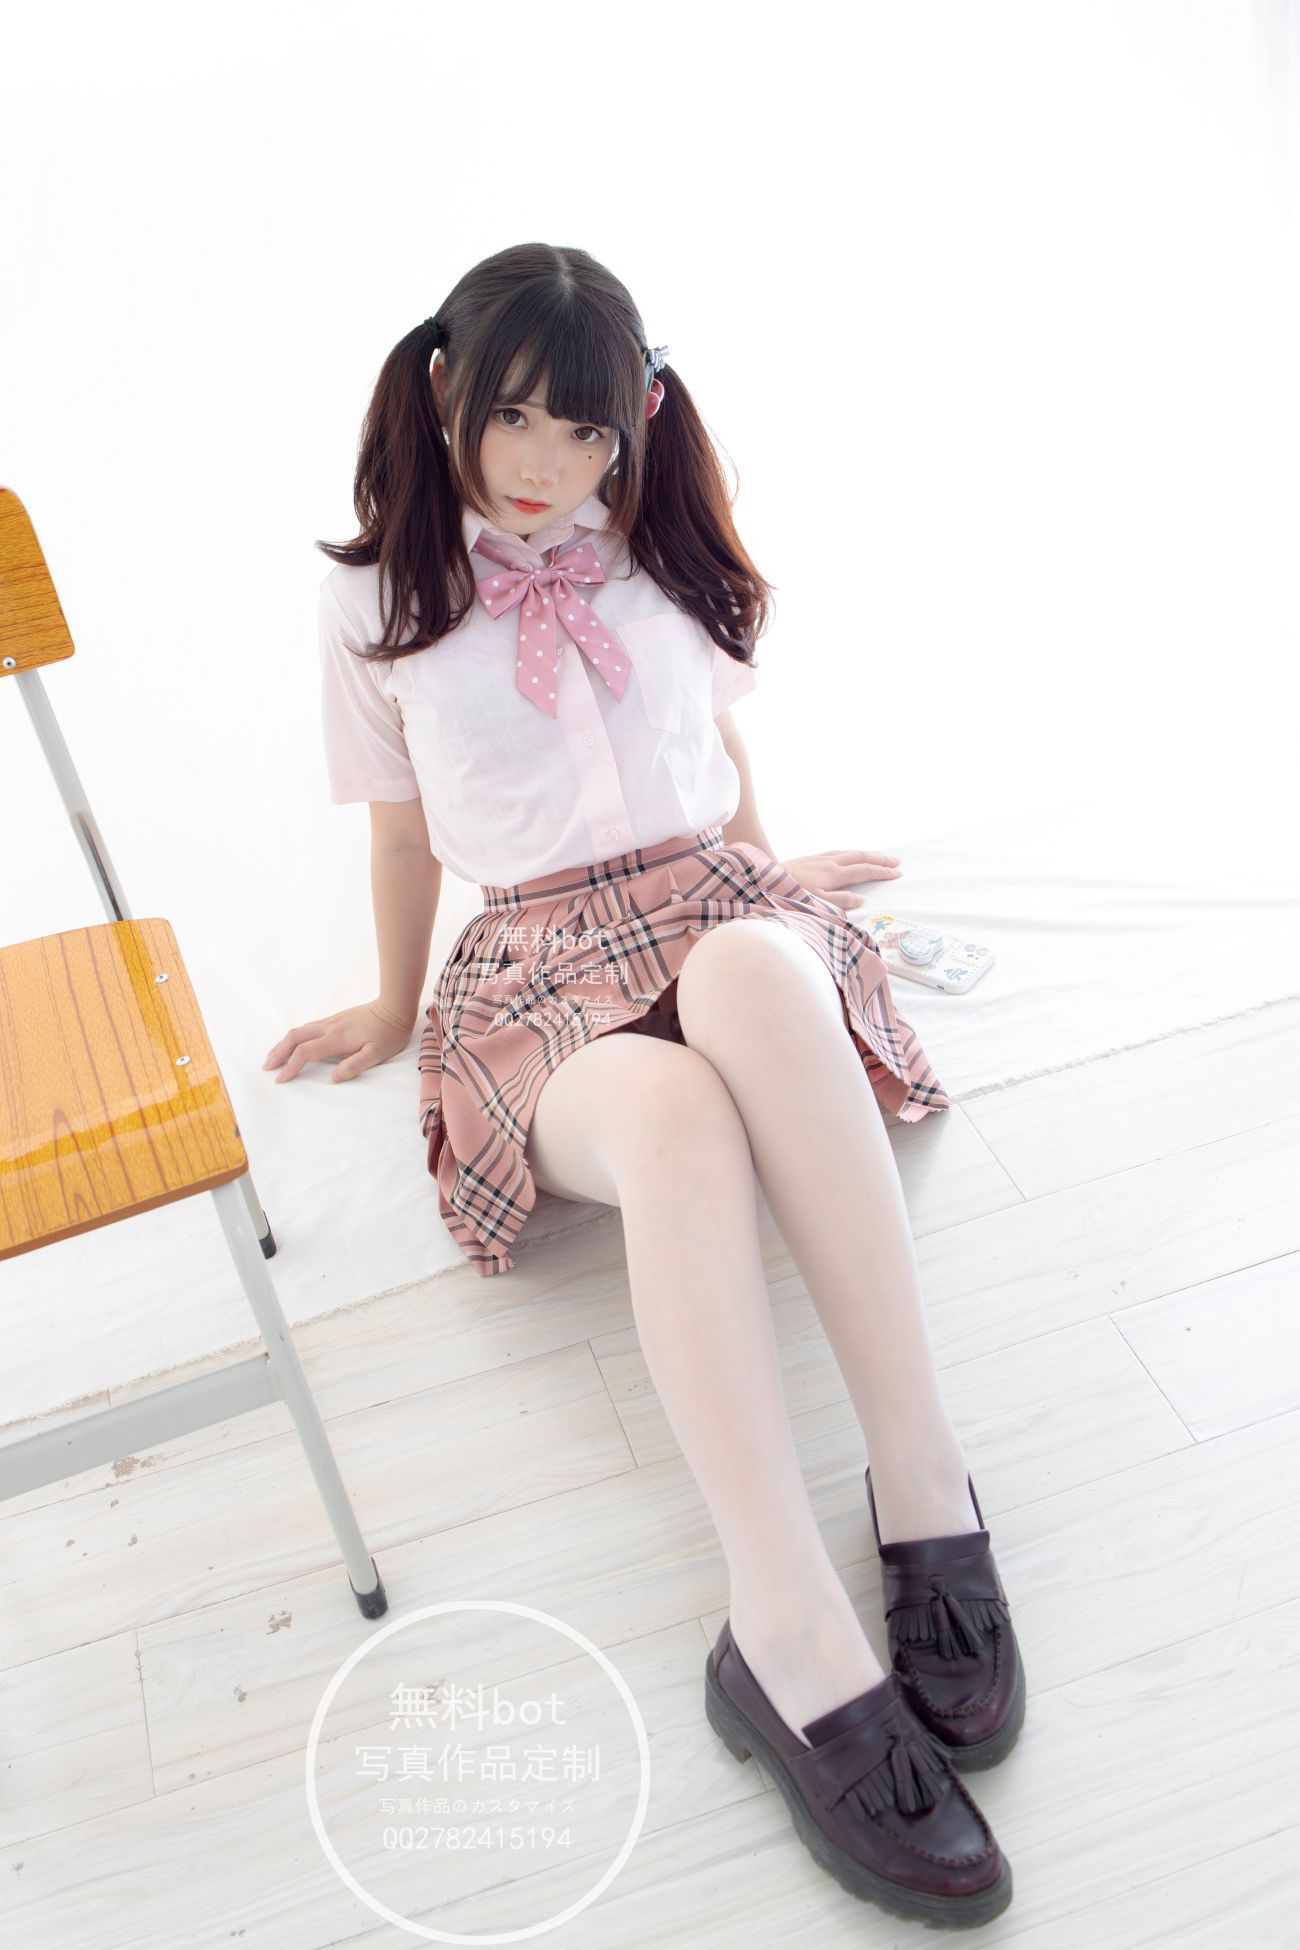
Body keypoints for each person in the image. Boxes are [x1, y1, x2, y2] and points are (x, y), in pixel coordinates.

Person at [263, 243, 1022, 1928]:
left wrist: (772, 873)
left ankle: (921, 1478)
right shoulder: (372, 600)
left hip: (707, 892)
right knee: (675, 1119)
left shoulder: (657, 542)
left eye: (586, 430)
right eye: (512, 418)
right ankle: (785, 1626)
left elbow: (718, 752)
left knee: (754, 968)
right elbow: (401, 830)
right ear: (444, 388)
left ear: (638, 421)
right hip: (532, 965)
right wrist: (392, 1002)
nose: (546, 466)